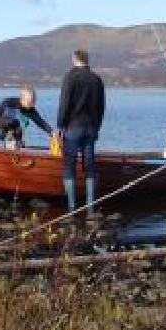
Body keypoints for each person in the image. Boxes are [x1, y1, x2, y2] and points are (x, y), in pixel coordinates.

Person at [56, 49, 105, 216]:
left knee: (69, 167)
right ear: (87, 60)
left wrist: (60, 125)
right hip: (90, 129)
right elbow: (101, 107)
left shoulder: (70, 78)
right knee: (90, 167)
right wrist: (97, 127)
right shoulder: (96, 79)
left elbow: (64, 104)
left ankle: (72, 207)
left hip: (72, 128)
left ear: (74, 59)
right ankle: (90, 207)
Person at [0, 84, 52, 148]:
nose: (31, 104)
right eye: (29, 101)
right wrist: (4, 125)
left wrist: (51, 132)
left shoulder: (30, 109)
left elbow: (40, 122)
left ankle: (13, 150)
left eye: (33, 101)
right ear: (22, 98)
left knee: (14, 144)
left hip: (13, 132)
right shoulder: (8, 104)